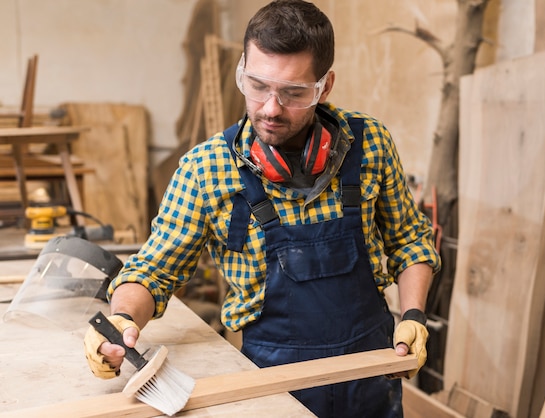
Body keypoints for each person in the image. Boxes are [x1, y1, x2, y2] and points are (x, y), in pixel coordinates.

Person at [83, 0, 441, 416]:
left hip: (369, 377)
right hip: (271, 385)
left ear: (324, 87)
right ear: (242, 71)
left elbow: (410, 240)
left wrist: (414, 314)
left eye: (292, 93)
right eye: (257, 85)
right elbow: (153, 270)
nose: (270, 108)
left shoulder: (370, 143)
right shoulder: (206, 169)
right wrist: (123, 320)